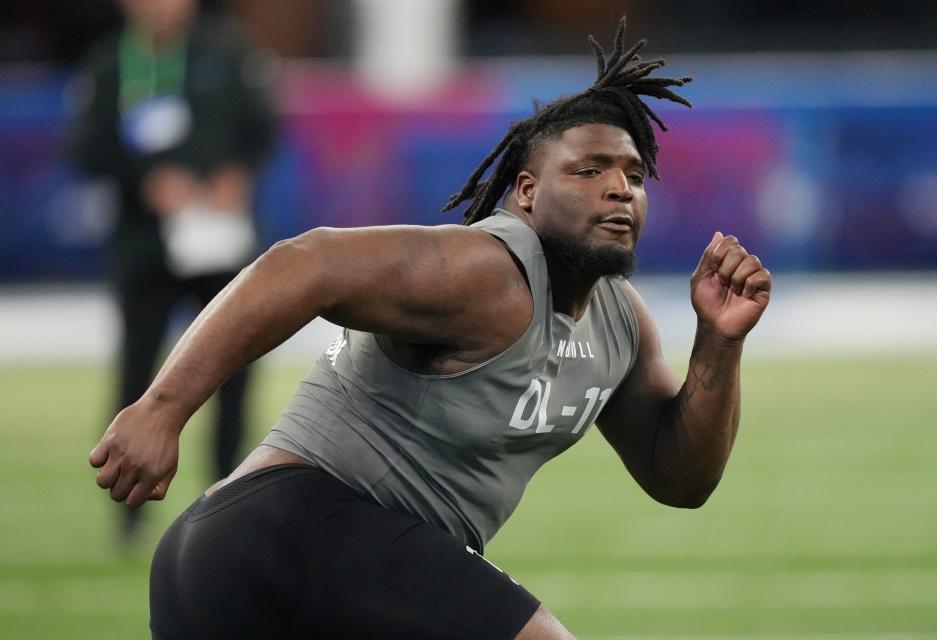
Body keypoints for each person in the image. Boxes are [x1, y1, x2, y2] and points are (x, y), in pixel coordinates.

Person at [90, 19, 771, 639]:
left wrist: (720, 340)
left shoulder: (622, 323)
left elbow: (680, 479)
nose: (619, 188)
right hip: (280, 532)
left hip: (252, 568)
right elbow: (306, 262)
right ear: (527, 192)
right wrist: (161, 408)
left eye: (632, 174)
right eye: (589, 171)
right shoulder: (490, 271)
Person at [67, 0, 276, 541]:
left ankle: (228, 502)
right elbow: (85, 145)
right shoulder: (108, 63)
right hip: (146, 244)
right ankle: (128, 512)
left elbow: (264, 127)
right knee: (138, 373)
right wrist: (147, 179)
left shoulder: (227, 54)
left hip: (220, 241)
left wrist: (237, 173)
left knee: (233, 372)